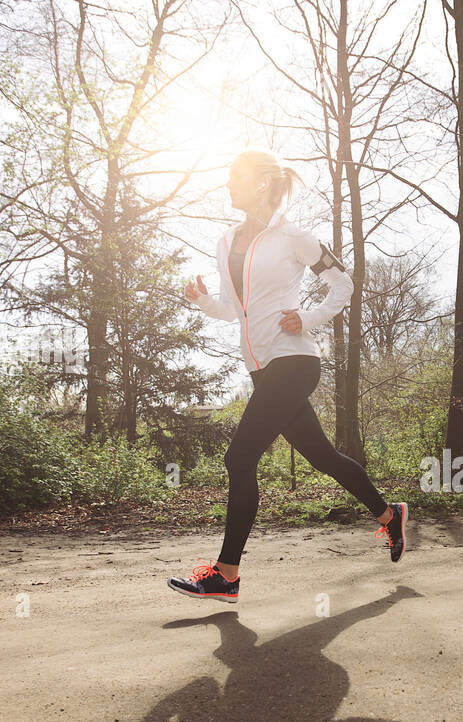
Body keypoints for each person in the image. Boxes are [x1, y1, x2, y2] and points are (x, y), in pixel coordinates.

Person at [168, 149, 406, 601]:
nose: (227, 184)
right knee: (324, 458)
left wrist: (310, 317)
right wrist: (200, 300)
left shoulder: (295, 237)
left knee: (239, 459)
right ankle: (388, 515)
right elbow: (232, 309)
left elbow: (344, 283)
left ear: (261, 182)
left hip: (294, 360)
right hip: (262, 367)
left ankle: (226, 575)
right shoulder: (225, 242)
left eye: (235, 176)